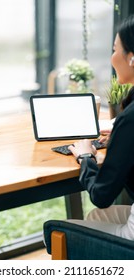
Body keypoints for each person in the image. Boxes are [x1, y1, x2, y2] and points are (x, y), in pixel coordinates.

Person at [68, 14, 134, 240]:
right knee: (96, 217)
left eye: (115, 50)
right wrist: (120, 141)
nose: (112, 58)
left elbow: (102, 195)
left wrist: (86, 157)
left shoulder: (130, 119)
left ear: (132, 58)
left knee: (58, 232)